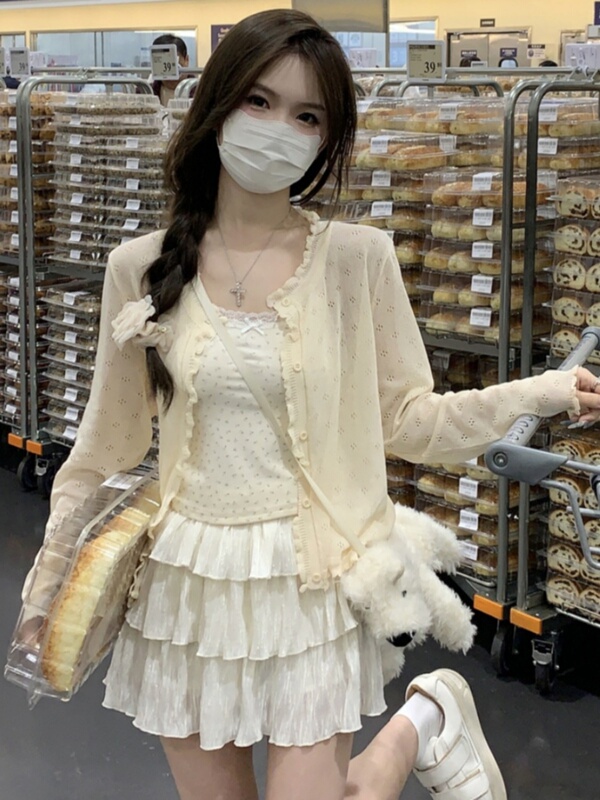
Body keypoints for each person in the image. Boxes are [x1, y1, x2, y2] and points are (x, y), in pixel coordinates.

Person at [22, 9, 600, 800]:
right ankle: (428, 719)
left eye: (307, 116)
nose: (278, 129)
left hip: (315, 579)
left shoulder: (356, 261)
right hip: (189, 586)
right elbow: (102, 449)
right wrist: (48, 588)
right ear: (216, 105)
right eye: (258, 101)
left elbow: (410, 419)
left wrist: (543, 390)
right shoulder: (142, 268)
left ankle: (419, 723)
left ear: (327, 139)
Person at [151, 33, 190, 106]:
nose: (170, 77)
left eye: (175, 66)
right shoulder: (146, 92)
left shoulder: (201, 91)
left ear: (186, 60)